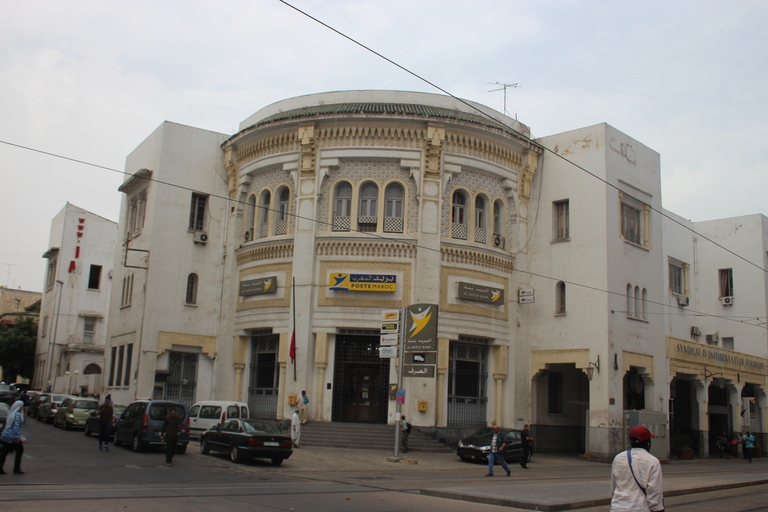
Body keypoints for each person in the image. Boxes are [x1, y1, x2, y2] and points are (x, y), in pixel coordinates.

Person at [610, 425, 664, 512]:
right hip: (639, 508)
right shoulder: (653, 462)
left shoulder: (618, 458)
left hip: (617, 507)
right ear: (648, 443)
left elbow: (614, 487)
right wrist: (657, 509)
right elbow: (654, 492)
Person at [0, 400, 26, 475]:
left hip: (5, 435)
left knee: (4, 452)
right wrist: (17, 437)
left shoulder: (11, 413)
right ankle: (17, 469)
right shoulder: (17, 415)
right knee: (20, 450)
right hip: (12, 436)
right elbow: (16, 427)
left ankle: (0, 468)